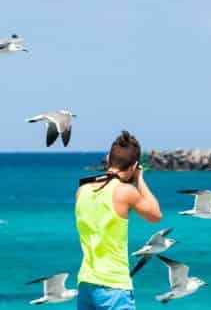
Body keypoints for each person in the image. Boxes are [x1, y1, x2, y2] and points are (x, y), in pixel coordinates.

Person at [75, 130, 162, 310]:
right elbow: (155, 215)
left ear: (108, 159)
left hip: (86, 283)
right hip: (113, 286)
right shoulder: (123, 191)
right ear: (134, 165)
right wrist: (140, 180)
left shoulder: (82, 191)